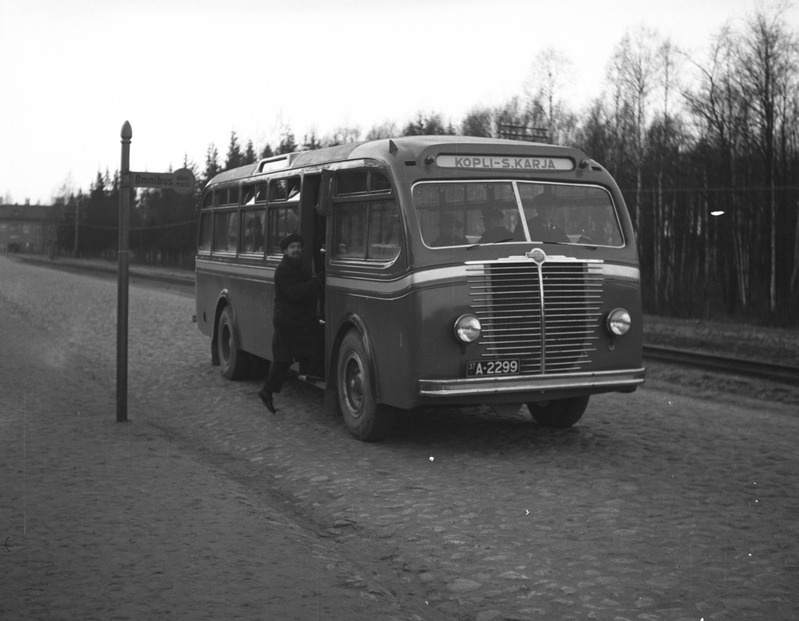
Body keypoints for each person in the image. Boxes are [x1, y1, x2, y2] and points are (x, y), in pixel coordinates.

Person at [258, 233, 324, 413]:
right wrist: (316, 283)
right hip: (287, 322)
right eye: (293, 247)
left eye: (298, 247)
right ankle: (267, 390)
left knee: (290, 357)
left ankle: (269, 390)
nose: (297, 250)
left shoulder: (299, 266)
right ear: (285, 251)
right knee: (284, 360)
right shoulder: (283, 270)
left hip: (297, 320)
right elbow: (294, 293)